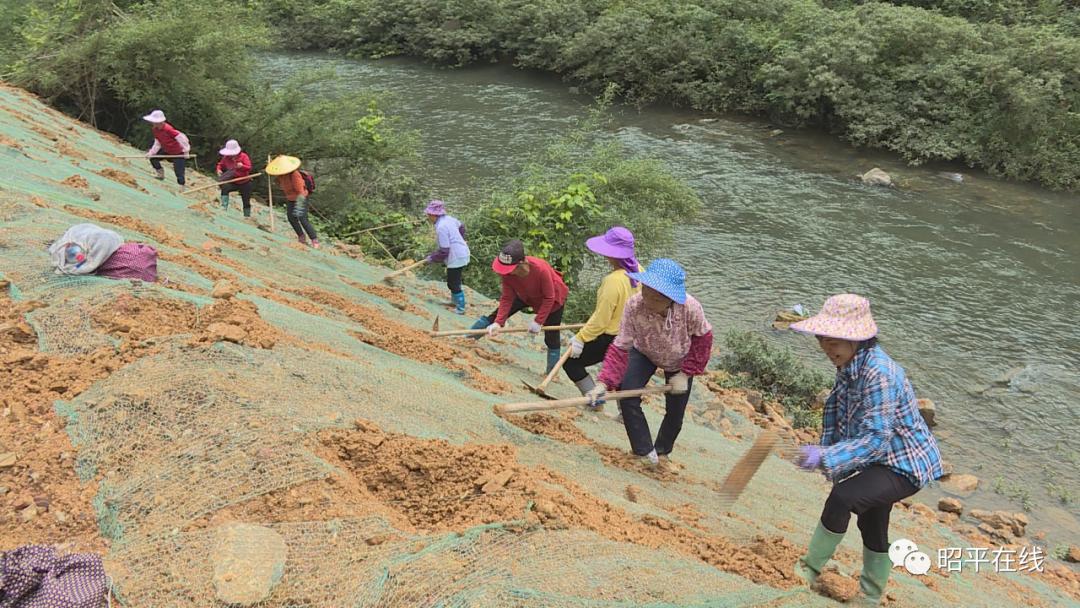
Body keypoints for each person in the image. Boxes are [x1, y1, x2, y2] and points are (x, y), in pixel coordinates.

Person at [787, 294, 943, 605]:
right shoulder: (851, 363)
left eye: (834, 341)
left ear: (856, 337)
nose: (826, 348)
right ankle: (870, 596)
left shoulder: (879, 373)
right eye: (822, 339)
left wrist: (826, 457)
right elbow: (843, 418)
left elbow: (875, 439)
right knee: (871, 521)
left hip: (905, 464)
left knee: (843, 497)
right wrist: (823, 453)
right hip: (882, 460)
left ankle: (807, 571)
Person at [587, 259, 713, 465]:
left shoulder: (690, 308)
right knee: (626, 394)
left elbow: (703, 339)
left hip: (679, 360)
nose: (647, 298)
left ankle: (662, 452)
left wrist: (686, 373)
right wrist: (603, 383)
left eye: (654, 297)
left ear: (670, 298)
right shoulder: (635, 305)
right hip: (644, 351)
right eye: (645, 290)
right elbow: (621, 345)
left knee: (675, 411)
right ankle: (644, 452)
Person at [563, 227, 641, 399]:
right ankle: (625, 415)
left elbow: (601, 319)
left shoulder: (613, 281)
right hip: (634, 337)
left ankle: (595, 401)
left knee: (571, 363)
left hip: (612, 337)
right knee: (621, 373)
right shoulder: (641, 272)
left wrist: (580, 338)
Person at [471, 239, 568, 373]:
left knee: (551, 335)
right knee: (495, 316)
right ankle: (467, 339)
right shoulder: (507, 274)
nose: (505, 272)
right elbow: (507, 297)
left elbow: (549, 297)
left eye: (509, 269)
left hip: (552, 299)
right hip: (524, 294)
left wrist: (538, 321)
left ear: (521, 263)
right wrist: (498, 322)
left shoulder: (540, 269)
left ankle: (551, 372)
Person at [422, 200, 470, 314]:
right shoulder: (449, 219)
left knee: (453, 283)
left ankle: (461, 308)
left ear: (434, 215)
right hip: (461, 253)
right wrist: (461, 239)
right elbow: (462, 227)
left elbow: (444, 251)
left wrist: (431, 259)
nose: (428, 217)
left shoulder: (441, 227)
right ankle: (454, 302)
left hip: (457, 256)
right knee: (453, 281)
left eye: (429, 215)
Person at [265, 155, 319, 249]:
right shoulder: (281, 176)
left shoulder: (294, 174)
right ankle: (301, 236)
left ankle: (314, 240)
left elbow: (300, 190)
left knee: (302, 218)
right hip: (290, 198)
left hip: (300, 197)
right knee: (291, 218)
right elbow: (277, 183)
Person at [142, 110, 189, 189]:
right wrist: (152, 152)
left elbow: (181, 138)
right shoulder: (155, 130)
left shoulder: (168, 129)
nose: (153, 124)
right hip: (167, 150)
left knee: (179, 171)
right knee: (153, 159)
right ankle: (160, 174)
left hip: (178, 152)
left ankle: (182, 186)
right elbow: (158, 142)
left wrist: (186, 151)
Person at [215, 140, 254, 217]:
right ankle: (223, 207)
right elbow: (220, 165)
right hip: (233, 180)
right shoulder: (226, 157)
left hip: (244, 181)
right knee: (225, 187)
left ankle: (247, 216)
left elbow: (249, 167)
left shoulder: (243, 156)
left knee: (246, 200)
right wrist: (219, 169)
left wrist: (242, 166)